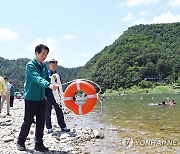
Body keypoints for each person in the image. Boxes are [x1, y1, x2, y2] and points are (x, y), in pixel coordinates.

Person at [17, 44, 59, 152]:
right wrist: (48, 85)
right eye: (43, 53)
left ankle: (39, 144)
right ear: (36, 52)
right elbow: (37, 78)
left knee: (41, 121)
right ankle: (20, 141)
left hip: (41, 98)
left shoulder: (44, 66)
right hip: (31, 98)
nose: (45, 56)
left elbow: (45, 78)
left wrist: (51, 79)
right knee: (28, 120)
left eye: (46, 54)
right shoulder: (30, 65)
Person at [45, 59, 70, 134]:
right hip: (48, 95)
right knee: (47, 112)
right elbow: (44, 84)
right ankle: (49, 127)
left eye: (55, 64)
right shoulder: (46, 74)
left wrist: (61, 95)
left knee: (59, 111)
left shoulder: (58, 75)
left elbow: (60, 86)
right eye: (52, 64)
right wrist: (44, 95)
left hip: (57, 96)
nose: (54, 66)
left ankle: (63, 126)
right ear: (49, 65)